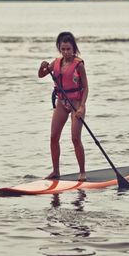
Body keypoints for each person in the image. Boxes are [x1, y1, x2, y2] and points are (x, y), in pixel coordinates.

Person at [38, 32, 89, 181]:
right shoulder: (56, 63)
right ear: (59, 49)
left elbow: (86, 87)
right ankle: (56, 171)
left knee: (75, 138)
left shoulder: (79, 65)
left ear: (74, 49)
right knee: (53, 137)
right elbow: (41, 75)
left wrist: (82, 107)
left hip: (76, 104)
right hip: (61, 102)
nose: (66, 52)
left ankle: (82, 172)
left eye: (69, 49)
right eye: (63, 49)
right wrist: (42, 67)